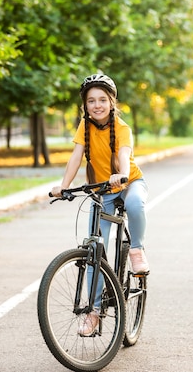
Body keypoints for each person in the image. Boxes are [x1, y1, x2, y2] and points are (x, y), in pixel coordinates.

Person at [51, 73, 149, 336]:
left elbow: (124, 155)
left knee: (137, 205)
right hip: (101, 190)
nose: (97, 105)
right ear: (85, 105)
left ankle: (137, 250)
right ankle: (93, 312)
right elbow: (76, 156)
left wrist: (122, 175)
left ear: (112, 102)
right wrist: (63, 185)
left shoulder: (122, 127)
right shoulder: (85, 126)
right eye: (91, 101)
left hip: (128, 182)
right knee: (94, 249)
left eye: (102, 100)